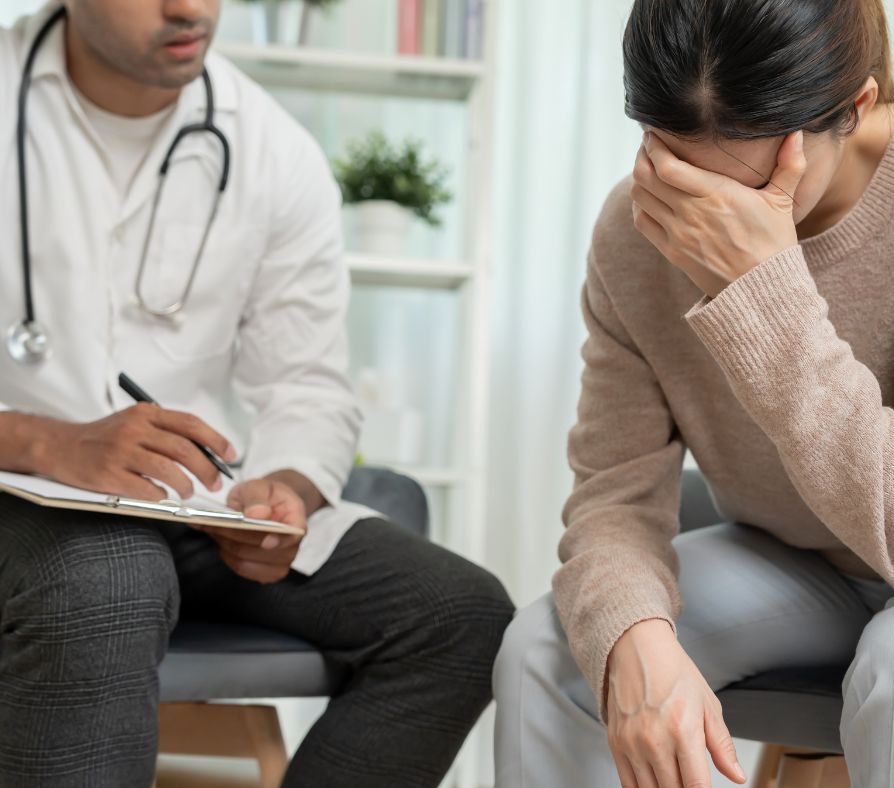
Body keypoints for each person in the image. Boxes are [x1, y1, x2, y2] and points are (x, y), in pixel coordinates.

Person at [0, 1, 514, 786]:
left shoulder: (273, 149)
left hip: (188, 502)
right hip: (18, 498)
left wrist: (287, 492)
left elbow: (308, 383)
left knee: (457, 616)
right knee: (109, 579)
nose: (190, 8)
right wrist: (45, 442)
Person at [494, 0, 894, 786]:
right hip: (799, 565)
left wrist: (764, 293)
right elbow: (612, 496)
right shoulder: (636, 232)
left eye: (750, 185)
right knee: (550, 648)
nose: (702, 214)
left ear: (859, 108)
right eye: (676, 164)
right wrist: (635, 637)